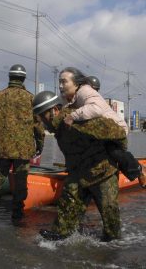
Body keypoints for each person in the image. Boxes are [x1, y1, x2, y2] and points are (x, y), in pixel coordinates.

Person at [33, 90, 128, 242]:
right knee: (66, 213)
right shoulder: (58, 127)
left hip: (102, 173)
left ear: (55, 110)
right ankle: (60, 237)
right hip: (78, 173)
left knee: (111, 228)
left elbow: (118, 132)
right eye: (38, 117)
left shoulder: (77, 120)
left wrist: (121, 154)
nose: (41, 122)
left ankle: (112, 252)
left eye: (42, 116)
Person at [59, 67, 146, 187]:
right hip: (99, 133)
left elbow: (96, 109)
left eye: (64, 82)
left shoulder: (84, 91)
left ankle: (138, 170)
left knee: (113, 151)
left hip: (114, 130)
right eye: (60, 82)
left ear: (76, 83)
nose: (60, 86)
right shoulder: (68, 97)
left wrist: (72, 116)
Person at [0, 64, 45, 220]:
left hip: (2, 147)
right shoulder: (30, 98)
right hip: (23, 149)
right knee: (20, 181)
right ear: (23, 78)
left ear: (10, 77)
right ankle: (17, 212)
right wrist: (40, 144)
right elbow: (38, 124)